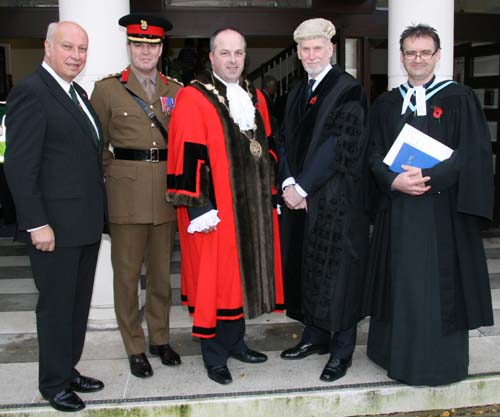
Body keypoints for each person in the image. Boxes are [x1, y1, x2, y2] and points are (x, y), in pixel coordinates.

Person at [364, 23, 494, 386]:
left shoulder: (459, 98)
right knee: (399, 281)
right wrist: (392, 180)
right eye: (410, 52)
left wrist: (427, 179)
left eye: (424, 52)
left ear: (438, 56)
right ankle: (392, 354)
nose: (417, 58)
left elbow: (471, 153)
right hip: (398, 211)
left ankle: (438, 364)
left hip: (443, 213)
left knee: (439, 286)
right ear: (401, 57)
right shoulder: (387, 103)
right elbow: (372, 153)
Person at [166, 27, 284, 385]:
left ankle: (236, 343)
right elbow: (186, 154)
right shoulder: (193, 97)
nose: (233, 60)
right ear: (212, 57)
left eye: (238, 53)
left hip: (251, 207)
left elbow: (267, 146)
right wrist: (200, 208)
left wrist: (273, 190)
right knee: (214, 282)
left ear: (245, 57)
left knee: (239, 279)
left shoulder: (256, 96)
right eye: (225, 53)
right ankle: (214, 354)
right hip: (214, 210)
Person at [4, 21, 106, 412]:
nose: (76, 55)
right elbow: (19, 166)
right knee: (56, 305)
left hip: (83, 224)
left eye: (82, 49)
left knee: (77, 304)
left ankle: (68, 368)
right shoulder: (31, 93)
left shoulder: (76, 92)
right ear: (48, 47)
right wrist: (36, 223)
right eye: (68, 47)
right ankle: (52, 383)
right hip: (54, 228)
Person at [278, 18, 371, 383]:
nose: (311, 54)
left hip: (337, 201)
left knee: (339, 274)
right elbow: (283, 139)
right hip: (300, 199)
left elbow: (339, 145)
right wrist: (287, 180)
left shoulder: (347, 90)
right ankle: (314, 336)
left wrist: (302, 188)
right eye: (305, 49)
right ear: (298, 53)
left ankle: (342, 350)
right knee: (307, 270)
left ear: (331, 49)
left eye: (318, 47)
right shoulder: (298, 92)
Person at [91, 14, 182, 379]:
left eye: (152, 45)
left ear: (161, 49)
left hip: (164, 195)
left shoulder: (176, 90)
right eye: (138, 45)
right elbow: (95, 145)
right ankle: (134, 345)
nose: (145, 51)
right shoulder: (108, 89)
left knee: (161, 278)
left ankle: (160, 338)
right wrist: (108, 180)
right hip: (125, 196)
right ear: (129, 47)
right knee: (127, 278)